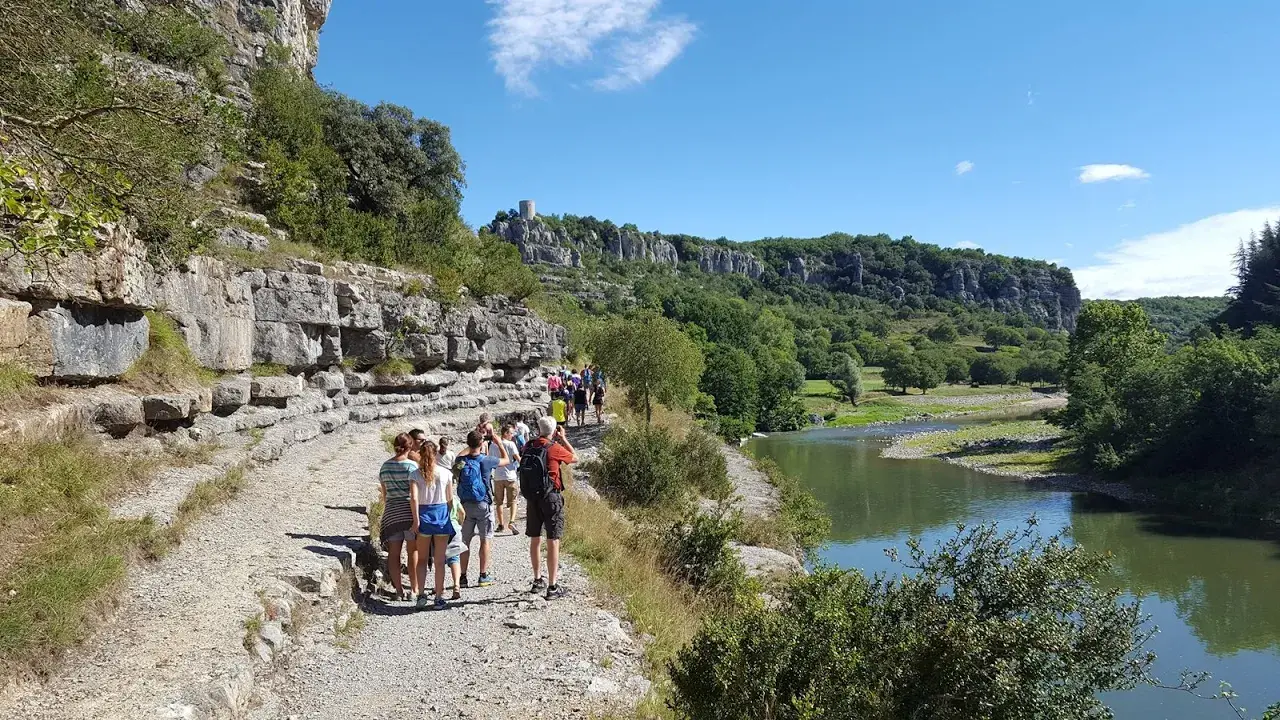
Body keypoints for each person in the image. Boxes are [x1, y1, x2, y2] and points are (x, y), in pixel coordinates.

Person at [520, 416, 576, 600]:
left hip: (532, 497)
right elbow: (574, 457)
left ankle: (537, 580)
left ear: (538, 428)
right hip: (551, 497)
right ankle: (553, 586)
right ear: (553, 431)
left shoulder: (528, 446)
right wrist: (563, 438)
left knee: (535, 538)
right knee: (553, 539)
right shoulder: (553, 448)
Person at [452, 428, 512, 587]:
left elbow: (457, 460)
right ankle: (483, 575)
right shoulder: (486, 460)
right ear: (482, 443)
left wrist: (469, 446)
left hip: (465, 506)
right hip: (483, 504)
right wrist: (499, 443)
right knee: (485, 540)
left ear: (468, 443)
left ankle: (463, 577)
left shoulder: (460, 461)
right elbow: (506, 460)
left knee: (465, 541)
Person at [412, 441, 454, 610]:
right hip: (441, 513)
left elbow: (414, 498)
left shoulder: (415, 474)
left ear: (421, 454)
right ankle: (438, 597)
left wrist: (416, 520)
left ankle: (421, 595)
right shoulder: (445, 473)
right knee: (439, 559)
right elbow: (450, 498)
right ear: (436, 454)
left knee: (422, 559)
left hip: (423, 514)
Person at [378, 434, 419, 601]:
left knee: (394, 554)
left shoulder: (385, 466)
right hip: (409, 512)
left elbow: (384, 493)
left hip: (392, 513)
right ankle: (415, 589)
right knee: (412, 552)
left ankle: (399, 590)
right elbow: (416, 494)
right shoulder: (412, 467)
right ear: (410, 446)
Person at [491, 423, 522, 535]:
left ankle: (501, 524)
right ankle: (512, 521)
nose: (512, 435)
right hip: (510, 475)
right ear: (506, 433)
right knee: (513, 500)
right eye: (511, 433)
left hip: (498, 476)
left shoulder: (493, 445)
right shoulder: (511, 444)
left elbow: (491, 460)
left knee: (499, 502)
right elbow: (518, 459)